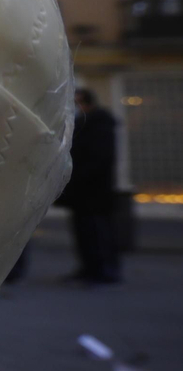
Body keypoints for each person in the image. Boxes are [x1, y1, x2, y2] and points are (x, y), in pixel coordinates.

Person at [59, 87, 122, 284]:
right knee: (85, 233)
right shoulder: (85, 124)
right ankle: (90, 268)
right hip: (83, 193)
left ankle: (102, 271)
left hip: (94, 193)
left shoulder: (99, 125)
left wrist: (78, 176)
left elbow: (97, 159)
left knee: (97, 233)